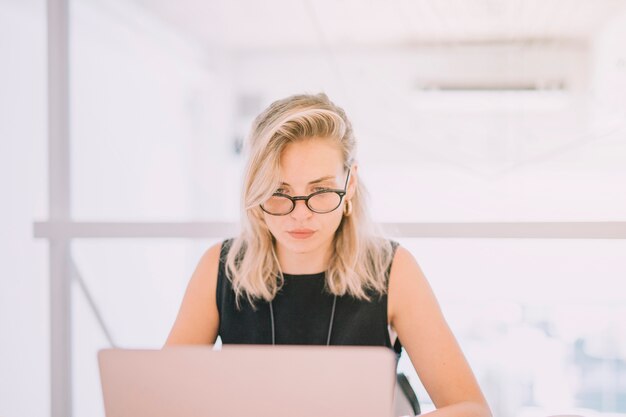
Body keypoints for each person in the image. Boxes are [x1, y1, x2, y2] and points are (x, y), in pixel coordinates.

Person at [165, 92, 492, 417]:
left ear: (349, 186)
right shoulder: (220, 267)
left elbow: (472, 410)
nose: (300, 215)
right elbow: (162, 400)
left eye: (320, 191)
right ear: (255, 190)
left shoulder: (392, 269)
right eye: (279, 192)